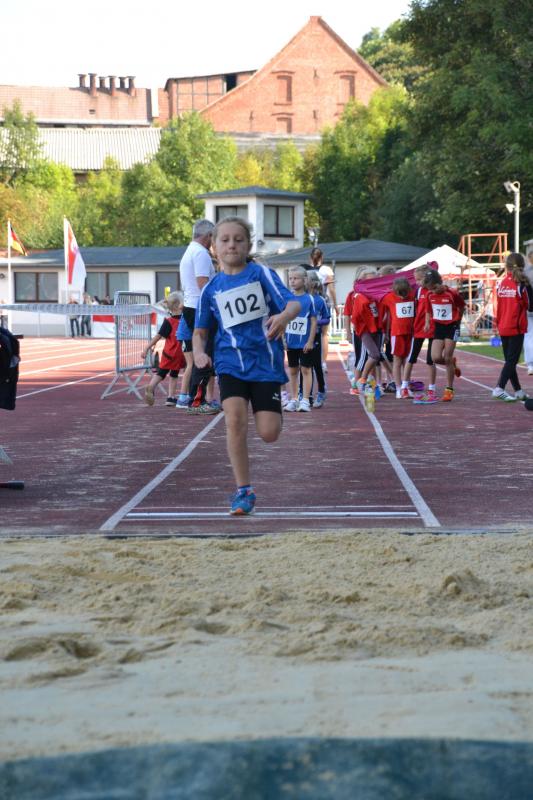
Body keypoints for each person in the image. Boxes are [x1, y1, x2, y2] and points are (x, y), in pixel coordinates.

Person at [193, 216, 301, 515]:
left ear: (248, 245)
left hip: (265, 363)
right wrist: (199, 353)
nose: (232, 245)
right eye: (225, 240)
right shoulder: (210, 289)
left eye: (238, 240)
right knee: (235, 420)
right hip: (230, 362)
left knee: (269, 433)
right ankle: (244, 490)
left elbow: (294, 303)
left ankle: (274, 411)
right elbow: (200, 331)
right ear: (214, 247)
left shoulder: (260, 273)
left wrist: (283, 317)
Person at [179, 218, 219, 415]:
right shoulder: (201, 253)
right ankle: (197, 401)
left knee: (201, 353)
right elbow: (203, 284)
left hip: (192, 306)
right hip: (200, 308)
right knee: (204, 354)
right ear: (208, 236)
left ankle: (197, 399)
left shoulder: (190, 250)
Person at [491, 252, 531, 402]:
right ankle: (499, 388)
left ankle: (518, 391)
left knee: (510, 360)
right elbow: (531, 306)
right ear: (523, 266)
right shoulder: (522, 285)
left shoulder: (501, 283)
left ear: (506, 266)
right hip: (516, 327)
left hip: (503, 325)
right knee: (512, 361)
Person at [422, 270, 465, 402]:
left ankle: (449, 390)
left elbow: (462, 306)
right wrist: (427, 323)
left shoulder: (452, 293)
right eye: (430, 289)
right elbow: (428, 310)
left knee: (447, 356)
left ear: (440, 283)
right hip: (439, 327)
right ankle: (452, 363)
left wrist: (458, 321)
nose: (433, 291)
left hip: (452, 326)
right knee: (435, 357)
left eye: (434, 288)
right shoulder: (429, 295)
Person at [141, 291, 186, 407]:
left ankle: (151, 386)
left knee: (162, 372)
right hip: (180, 352)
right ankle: (171, 397)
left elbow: (158, 336)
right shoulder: (185, 320)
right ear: (179, 305)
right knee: (174, 374)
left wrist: (147, 347)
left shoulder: (169, 321)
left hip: (169, 352)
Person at [283, 266, 317, 412]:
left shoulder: (309, 299)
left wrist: (310, 341)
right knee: (292, 371)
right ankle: (294, 398)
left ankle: (305, 400)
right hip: (291, 342)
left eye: (296, 278)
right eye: (290, 278)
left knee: (306, 369)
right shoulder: (287, 298)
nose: (292, 281)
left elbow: (314, 321)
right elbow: (283, 319)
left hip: (304, 343)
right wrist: (283, 338)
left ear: (304, 280)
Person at [403, 265, 438, 404]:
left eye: (419, 279)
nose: (417, 282)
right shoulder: (418, 291)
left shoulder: (435, 291)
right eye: (416, 280)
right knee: (411, 358)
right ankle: (404, 387)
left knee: (431, 360)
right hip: (418, 329)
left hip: (434, 329)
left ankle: (432, 389)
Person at [379, 277, 415, 399]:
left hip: (410, 333)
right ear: (395, 291)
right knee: (398, 360)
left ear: (408, 290)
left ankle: (405, 386)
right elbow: (377, 294)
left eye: (404, 292)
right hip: (397, 333)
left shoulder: (412, 295)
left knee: (407, 361)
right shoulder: (389, 297)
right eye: (400, 293)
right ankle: (399, 388)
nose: (402, 296)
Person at [306, 270, 330, 408]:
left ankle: (321, 390)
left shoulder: (320, 300)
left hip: (314, 336)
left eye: (306, 279)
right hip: (302, 337)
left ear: (312, 283)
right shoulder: (299, 298)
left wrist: (314, 323)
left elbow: (327, 319)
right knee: (304, 366)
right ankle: (306, 395)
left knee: (316, 365)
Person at [523, 251, 533, 375]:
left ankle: (530, 364)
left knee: (529, 336)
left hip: (529, 309)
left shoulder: (525, 273)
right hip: (529, 308)